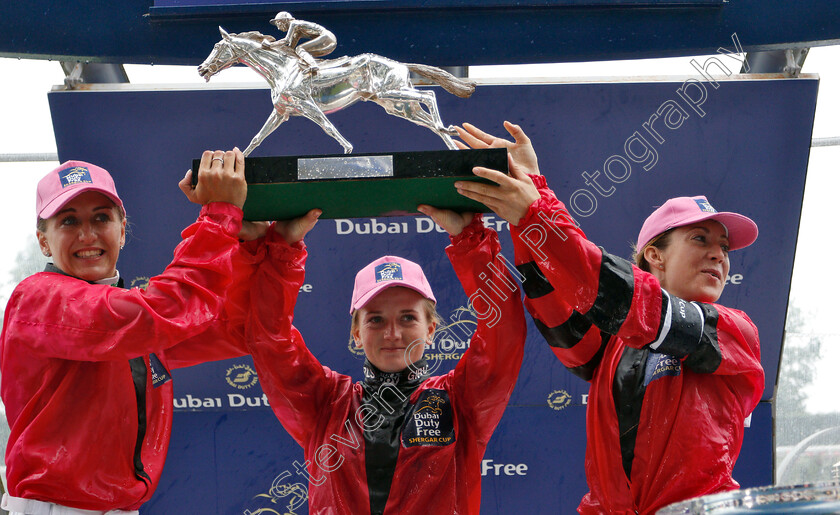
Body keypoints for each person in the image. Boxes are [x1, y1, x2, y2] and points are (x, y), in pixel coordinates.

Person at [454, 122, 765, 514]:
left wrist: (536, 211)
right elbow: (553, 298)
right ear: (655, 255)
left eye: (723, 246)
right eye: (700, 239)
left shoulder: (734, 331)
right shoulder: (610, 347)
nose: (719, 254)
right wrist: (525, 202)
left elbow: (633, 304)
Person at [0, 149, 266, 514]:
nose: (88, 233)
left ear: (122, 231)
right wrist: (220, 217)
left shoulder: (129, 323)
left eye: (101, 217)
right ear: (43, 241)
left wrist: (270, 248)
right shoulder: (38, 298)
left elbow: (245, 327)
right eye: (68, 221)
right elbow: (163, 311)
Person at [242, 203, 526, 514]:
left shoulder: (462, 400)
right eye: (375, 320)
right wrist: (281, 249)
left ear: (431, 329)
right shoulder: (324, 402)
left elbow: (504, 332)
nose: (392, 333)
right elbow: (270, 339)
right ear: (357, 333)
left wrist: (471, 241)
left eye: (407, 318)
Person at [263, 11, 337, 76]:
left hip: (327, 38)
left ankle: (313, 65)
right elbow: (290, 49)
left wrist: (270, 45)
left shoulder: (294, 24)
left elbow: (286, 41)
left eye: (278, 24)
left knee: (300, 49)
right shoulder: (297, 31)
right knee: (299, 54)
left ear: (284, 21)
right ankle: (312, 65)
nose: (278, 28)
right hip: (328, 40)